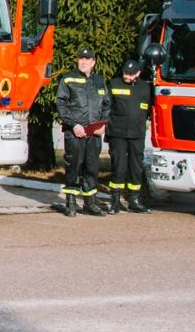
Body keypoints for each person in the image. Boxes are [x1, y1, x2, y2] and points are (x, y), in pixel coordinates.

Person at [55, 49, 110, 218]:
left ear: (93, 62)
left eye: (87, 59)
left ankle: (90, 202)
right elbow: (61, 104)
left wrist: (104, 124)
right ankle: (71, 202)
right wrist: (73, 124)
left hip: (94, 133)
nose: (83, 62)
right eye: (81, 59)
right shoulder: (68, 78)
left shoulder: (99, 81)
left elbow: (107, 105)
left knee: (91, 167)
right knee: (74, 166)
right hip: (75, 132)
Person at [104, 59, 153, 214]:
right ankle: (115, 201)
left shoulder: (145, 87)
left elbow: (149, 108)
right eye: (126, 73)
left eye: (131, 74)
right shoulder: (114, 84)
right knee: (118, 166)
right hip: (117, 133)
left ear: (138, 73)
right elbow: (106, 107)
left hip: (137, 134)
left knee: (136, 167)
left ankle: (134, 200)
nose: (127, 76)